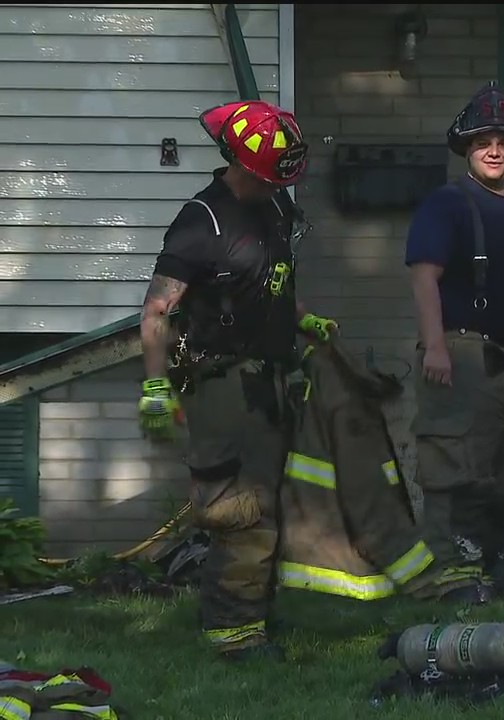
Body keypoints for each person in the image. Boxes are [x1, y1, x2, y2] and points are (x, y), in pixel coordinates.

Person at [136, 100, 336, 661]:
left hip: (270, 379)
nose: (279, 185)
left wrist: (305, 320)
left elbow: (272, 287)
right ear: (247, 166)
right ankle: (233, 633)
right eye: (273, 175)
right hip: (220, 382)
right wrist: (155, 385)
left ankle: (254, 612)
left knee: (268, 500)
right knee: (237, 507)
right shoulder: (203, 220)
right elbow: (156, 311)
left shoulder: (272, 211)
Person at [404, 82, 504, 601]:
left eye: (503, 140)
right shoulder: (447, 204)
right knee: (457, 471)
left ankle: (478, 567)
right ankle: (446, 576)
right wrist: (434, 345)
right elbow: (424, 276)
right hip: (464, 355)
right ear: (466, 149)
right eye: (482, 142)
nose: (494, 149)